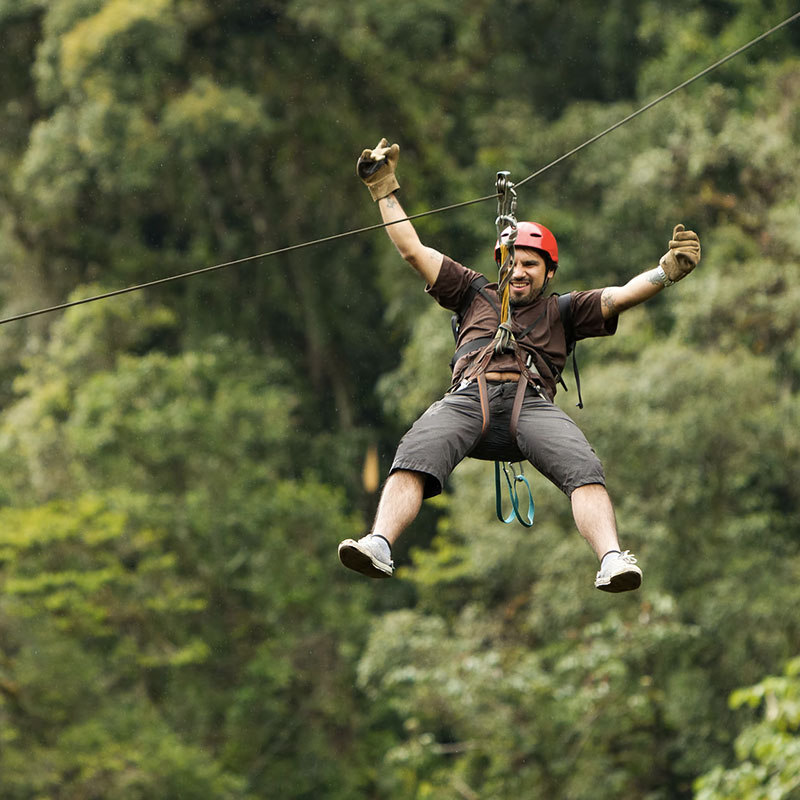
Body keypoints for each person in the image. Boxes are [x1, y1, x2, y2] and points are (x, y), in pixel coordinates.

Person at [338, 138, 701, 592]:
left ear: (548, 272)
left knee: (583, 468)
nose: (520, 271)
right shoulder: (473, 293)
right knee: (414, 453)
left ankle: (611, 557)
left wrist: (666, 272)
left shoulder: (563, 311)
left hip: (531, 407)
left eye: (531, 264)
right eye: (512, 262)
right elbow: (413, 250)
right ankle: (380, 543)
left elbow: (621, 294)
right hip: (469, 398)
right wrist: (383, 188)